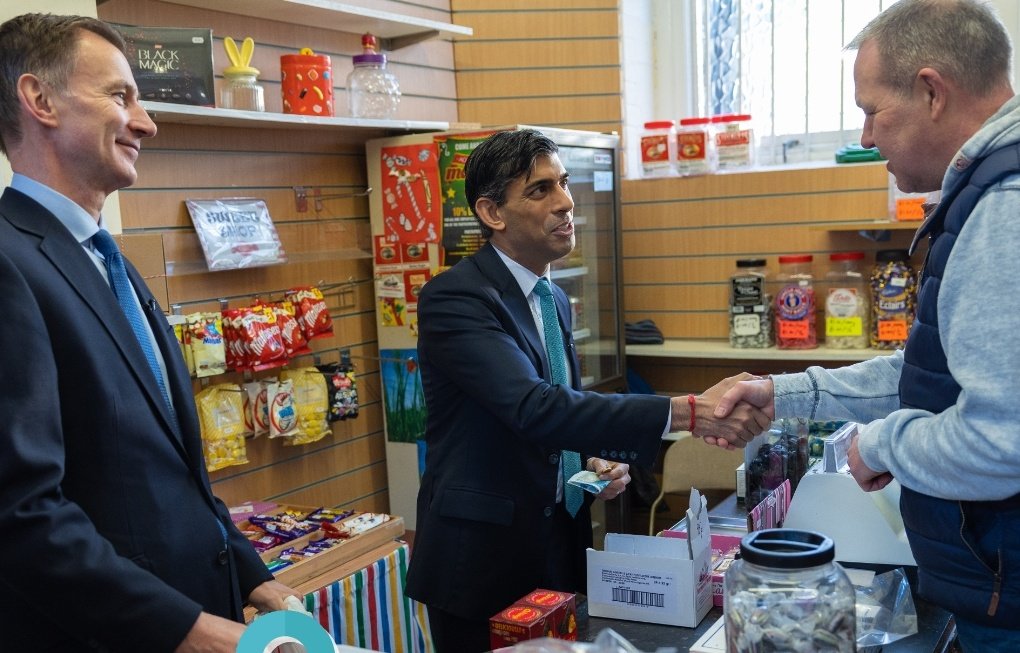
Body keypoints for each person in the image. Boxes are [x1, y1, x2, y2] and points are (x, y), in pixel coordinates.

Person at [710, 1, 1020, 649]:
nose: (866, 136)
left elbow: (1000, 441)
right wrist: (785, 394)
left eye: (872, 109)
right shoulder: (989, 192)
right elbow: (931, 372)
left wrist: (880, 445)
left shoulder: (1003, 208)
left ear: (933, 91)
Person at [403, 128, 770, 652]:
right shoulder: (455, 298)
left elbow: (557, 422)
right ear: (492, 213)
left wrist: (592, 461)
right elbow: (534, 407)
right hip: (481, 564)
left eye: (565, 183)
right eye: (540, 190)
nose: (566, 203)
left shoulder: (552, 299)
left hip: (560, 546)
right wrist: (688, 412)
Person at [0, 13, 298, 652]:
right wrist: (184, 629)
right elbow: (20, 514)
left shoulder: (109, 261)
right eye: (118, 95)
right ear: (39, 100)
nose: (146, 122)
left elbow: (166, 469)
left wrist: (250, 574)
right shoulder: (8, 263)